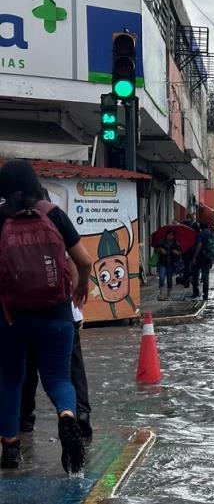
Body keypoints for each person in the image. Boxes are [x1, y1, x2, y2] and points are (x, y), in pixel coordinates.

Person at [0, 159, 90, 473]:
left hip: (10, 317)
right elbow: (84, 259)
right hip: (56, 312)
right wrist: (82, 287)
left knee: (10, 379)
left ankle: (10, 448)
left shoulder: (1, 217)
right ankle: (67, 416)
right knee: (59, 378)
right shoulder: (52, 213)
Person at [21, 275, 92, 442]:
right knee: (67, 372)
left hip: (21, 313)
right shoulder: (63, 246)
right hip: (61, 312)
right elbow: (82, 262)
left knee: (26, 369)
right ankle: (78, 414)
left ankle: (22, 425)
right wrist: (79, 295)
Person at [192, 222, 214, 301]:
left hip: (200, 257)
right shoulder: (212, 234)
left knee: (195, 274)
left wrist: (194, 256)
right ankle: (205, 294)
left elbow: (199, 245)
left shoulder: (201, 234)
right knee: (205, 276)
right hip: (208, 257)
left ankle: (196, 292)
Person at [156, 230, 182, 301]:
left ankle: (168, 295)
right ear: (166, 235)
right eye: (169, 235)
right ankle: (161, 294)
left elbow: (180, 252)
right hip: (162, 262)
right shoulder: (161, 241)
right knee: (161, 277)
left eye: (171, 235)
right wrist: (161, 249)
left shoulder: (176, 243)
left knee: (169, 279)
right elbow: (156, 249)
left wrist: (177, 252)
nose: (170, 236)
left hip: (171, 263)